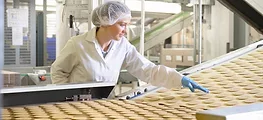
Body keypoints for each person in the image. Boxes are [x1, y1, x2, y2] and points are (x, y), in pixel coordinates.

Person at [51, 1, 209, 93]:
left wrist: (178, 79)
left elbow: (147, 70)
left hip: (106, 105)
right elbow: (58, 71)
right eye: (122, 24)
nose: (125, 30)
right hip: (75, 106)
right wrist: (67, 94)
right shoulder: (78, 44)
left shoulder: (123, 46)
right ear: (106, 22)